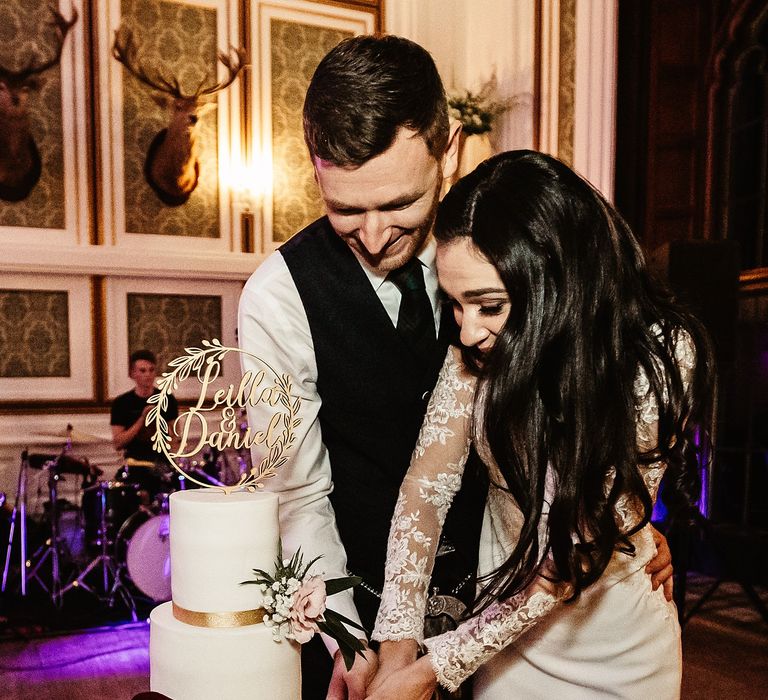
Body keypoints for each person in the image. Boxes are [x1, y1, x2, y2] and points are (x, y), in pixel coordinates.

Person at [238, 36, 674, 700]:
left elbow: (585, 405)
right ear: (315, 169)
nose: (377, 234)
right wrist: (351, 637)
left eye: (400, 204)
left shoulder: (518, 258)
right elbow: (297, 497)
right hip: (359, 617)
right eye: (347, 209)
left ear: (452, 149)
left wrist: (625, 521)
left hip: (515, 603)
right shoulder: (276, 297)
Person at [367, 150, 713, 700]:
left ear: (557, 281)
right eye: (455, 305)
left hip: (618, 650)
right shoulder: (475, 353)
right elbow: (426, 491)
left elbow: (575, 555)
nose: (467, 332)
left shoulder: (658, 356)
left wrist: (437, 667)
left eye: (488, 306)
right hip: (505, 645)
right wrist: (398, 645)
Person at [111, 349, 178, 496]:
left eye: (151, 370)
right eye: (142, 370)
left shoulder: (167, 399)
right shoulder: (121, 403)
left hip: (161, 462)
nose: (147, 374)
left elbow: (175, 436)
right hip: (135, 463)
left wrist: (176, 460)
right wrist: (142, 419)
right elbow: (118, 443)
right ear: (133, 374)